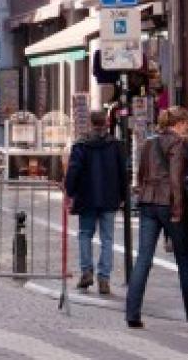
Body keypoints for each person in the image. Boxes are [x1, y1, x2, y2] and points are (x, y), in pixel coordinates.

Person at [125, 107, 188, 329]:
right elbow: (175, 179)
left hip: (147, 202)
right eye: (186, 123)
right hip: (169, 204)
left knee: (143, 258)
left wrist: (141, 195)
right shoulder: (178, 143)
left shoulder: (149, 142)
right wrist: (177, 210)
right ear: (181, 123)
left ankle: (132, 313)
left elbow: (141, 174)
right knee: (184, 258)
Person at [65, 109, 126, 297]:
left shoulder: (81, 145)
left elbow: (73, 170)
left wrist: (70, 192)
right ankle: (104, 278)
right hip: (109, 198)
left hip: (87, 197)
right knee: (107, 238)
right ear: (106, 123)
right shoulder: (115, 145)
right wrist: (123, 196)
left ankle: (86, 272)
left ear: (90, 123)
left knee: (85, 235)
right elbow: (123, 172)